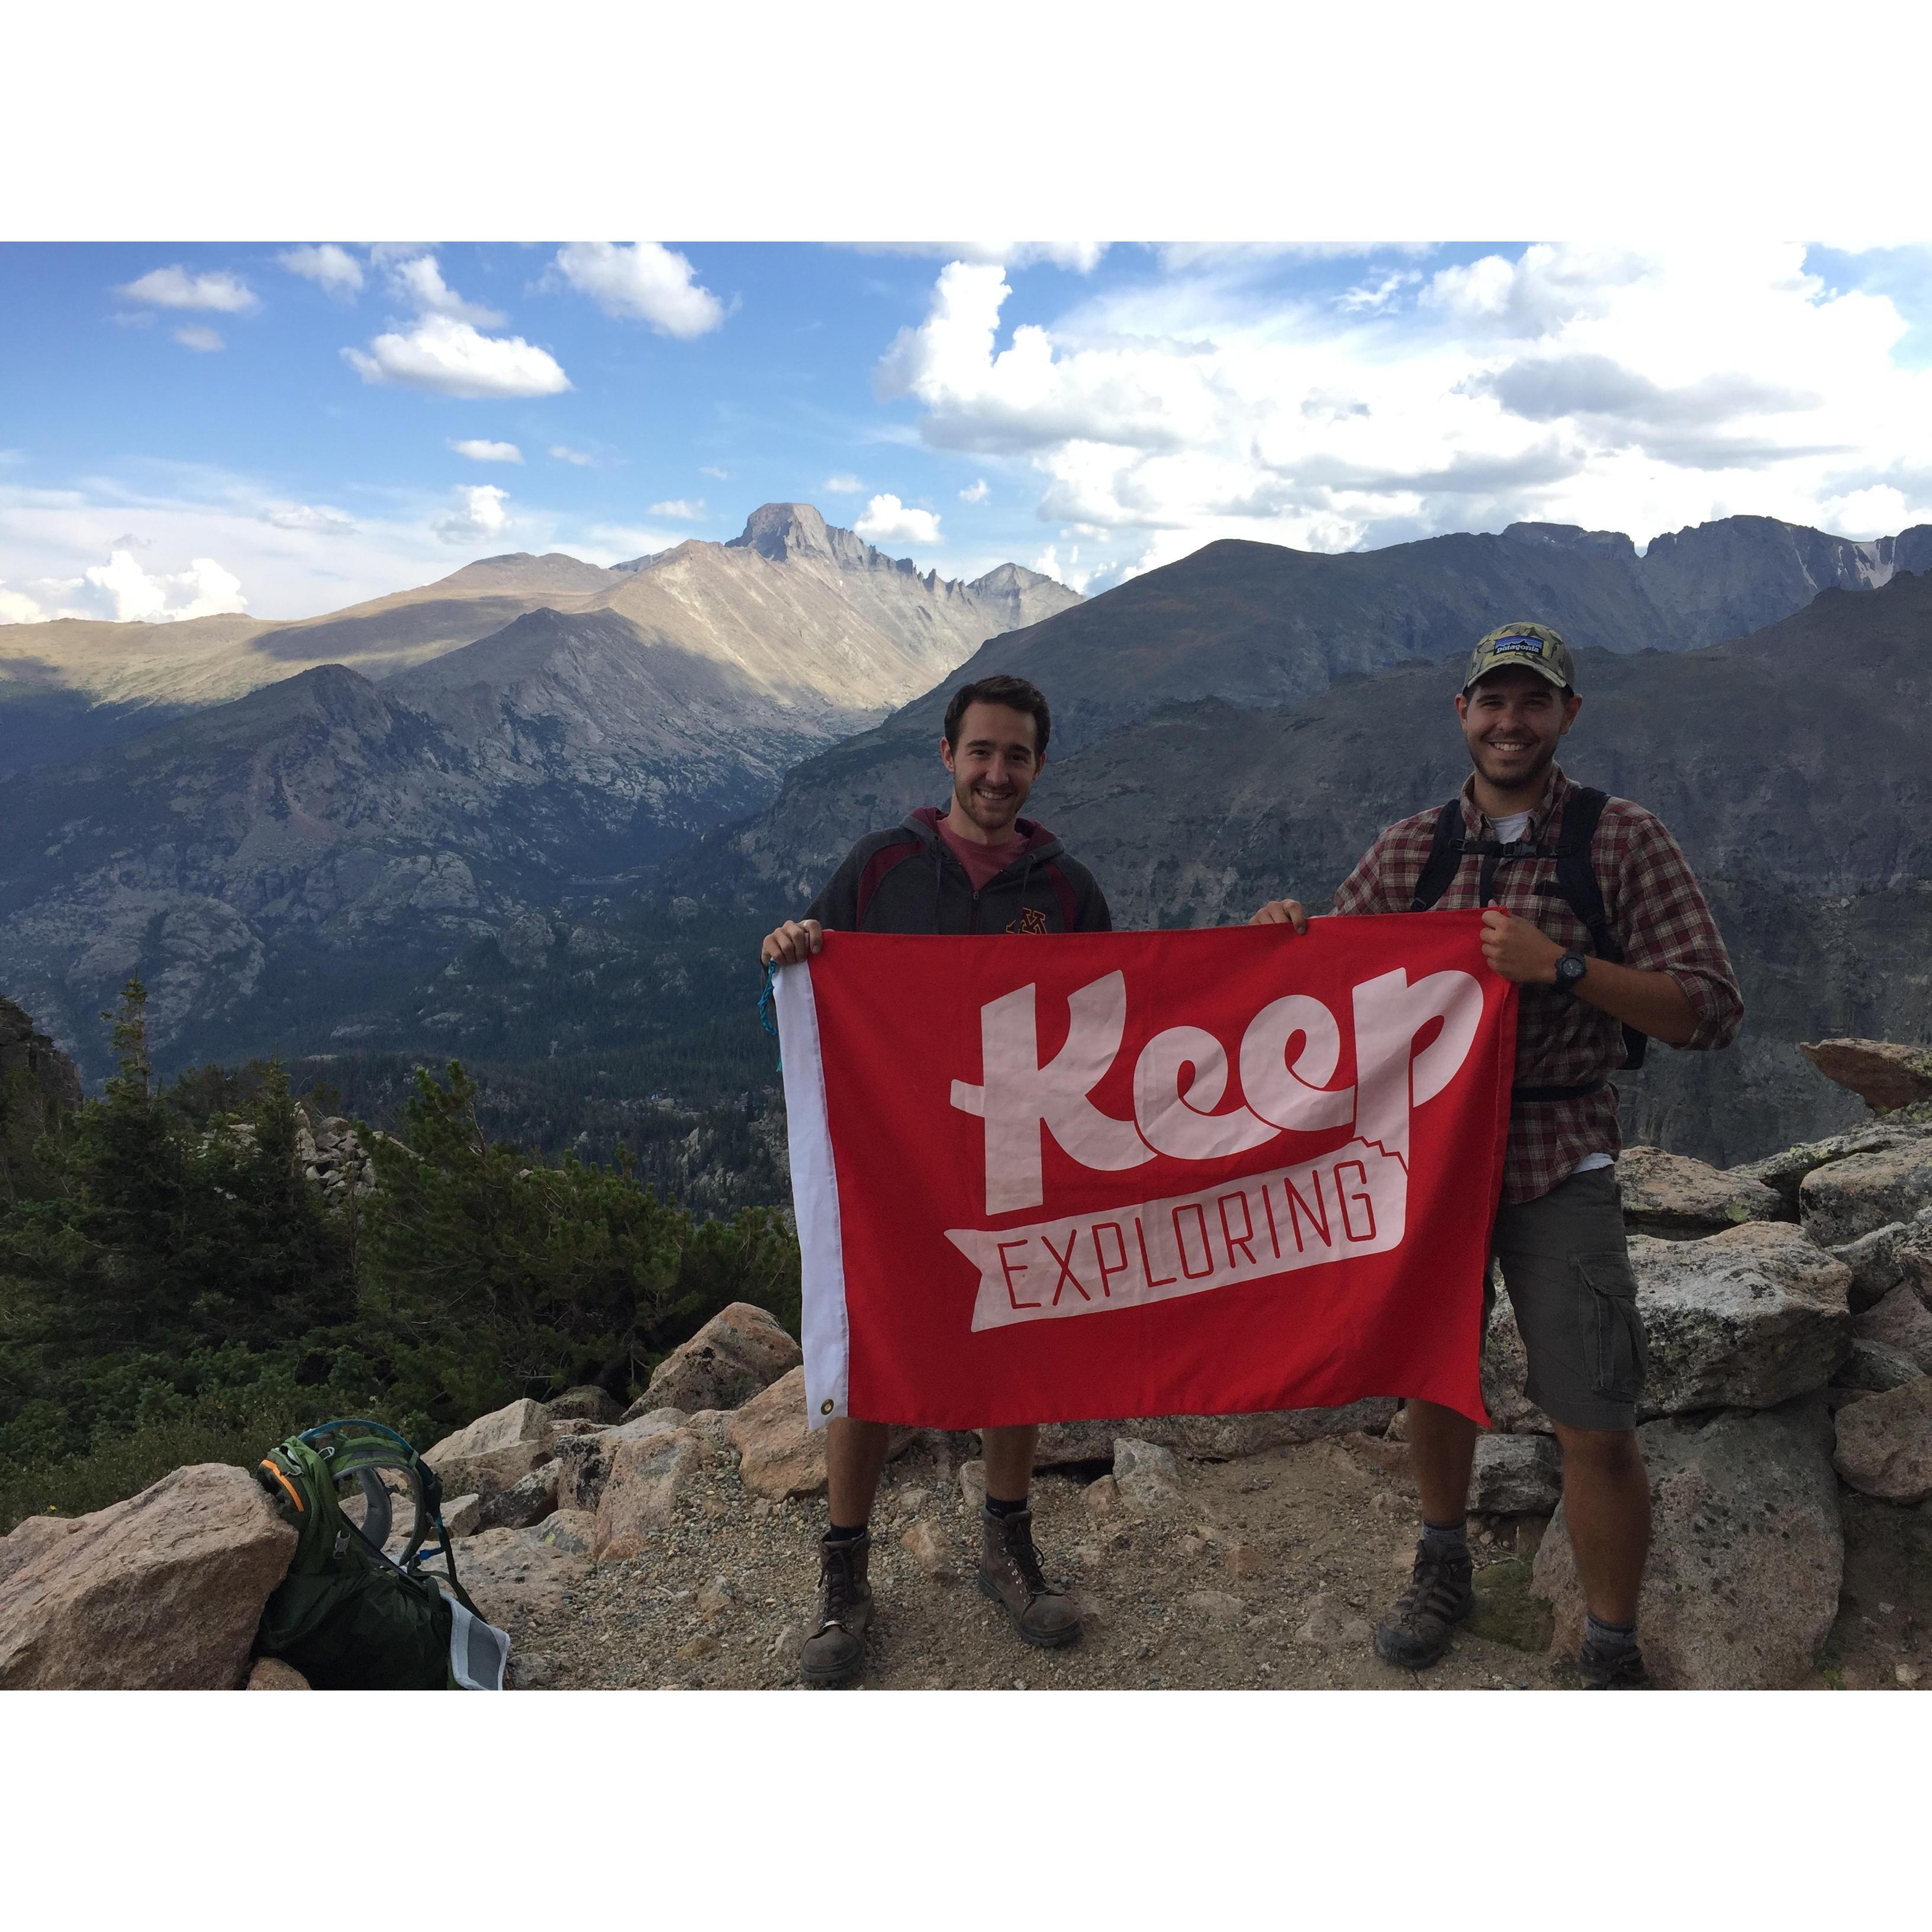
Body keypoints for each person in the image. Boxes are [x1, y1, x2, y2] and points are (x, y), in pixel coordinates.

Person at [1251, 622, 1743, 1688]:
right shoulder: (1412, 849)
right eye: (1492, 701)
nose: (1509, 722)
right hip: (1426, 1162)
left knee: (1595, 1413)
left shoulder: (1621, 842)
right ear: (1462, 714)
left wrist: (1563, 965)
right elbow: (1327, 983)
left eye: (1533, 702)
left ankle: (1609, 1647)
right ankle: (1444, 1563)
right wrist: (1285, 936)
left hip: (1557, 1152)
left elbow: (1708, 1009)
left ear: (1567, 715)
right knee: (1437, 1375)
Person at [760, 672, 1113, 1687]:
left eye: (1017, 756)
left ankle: (1006, 1548)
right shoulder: (881, 868)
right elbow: (818, 969)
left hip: (1016, 1155)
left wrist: (1267, 961)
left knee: (1015, 1347)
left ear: (1039, 767)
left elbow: (1127, 1011)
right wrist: (791, 947)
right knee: (878, 1346)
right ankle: (845, 1578)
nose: (997, 773)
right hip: (897, 1161)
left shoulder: (1066, 889)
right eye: (981, 752)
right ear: (948, 757)